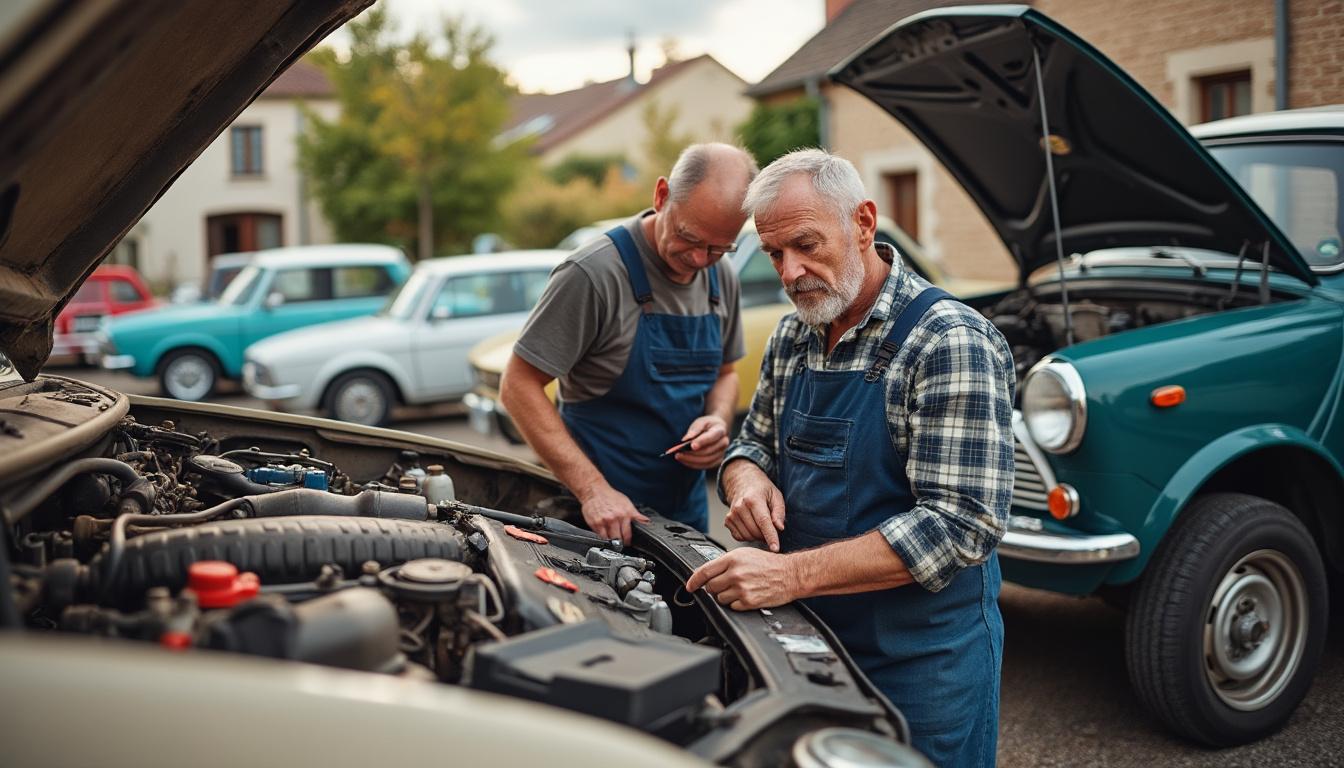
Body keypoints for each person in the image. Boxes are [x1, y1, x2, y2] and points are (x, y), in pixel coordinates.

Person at [685, 149, 1014, 767]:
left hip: (922, 664)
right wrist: (746, 481)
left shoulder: (948, 342)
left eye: (806, 245)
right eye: (775, 254)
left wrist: (786, 576)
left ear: (863, 223)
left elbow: (961, 523)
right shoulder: (793, 334)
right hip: (812, 643)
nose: (790, 271)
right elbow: (749, 442)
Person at [500, 143, 758, 543]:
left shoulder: (720, 275)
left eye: (718, 247)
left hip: (684, 517)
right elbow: (518, 386)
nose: (698, 259)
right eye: (689, 237)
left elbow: (725, 374)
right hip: (594, 515)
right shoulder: (592, 274)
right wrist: (592, 490)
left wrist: (719, 419)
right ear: (661, 196)